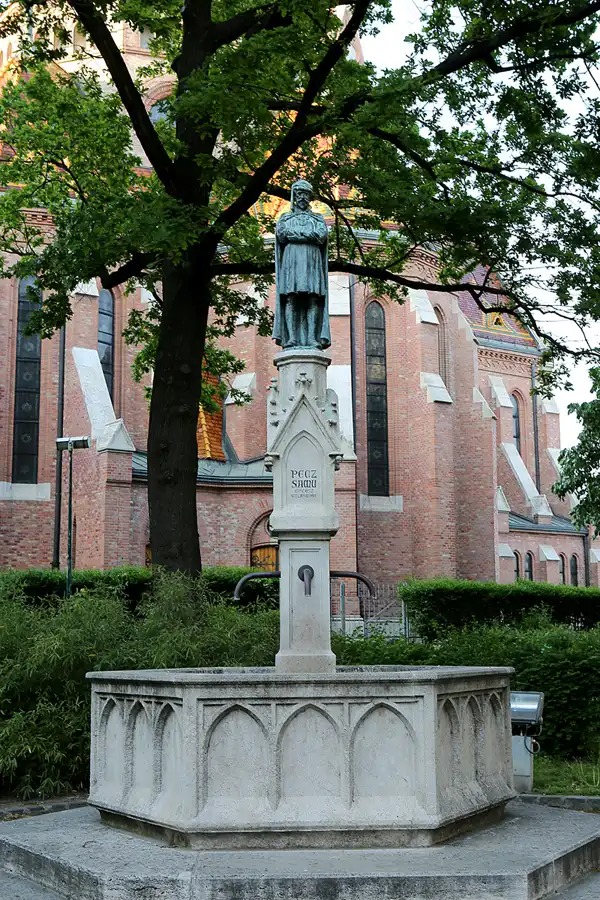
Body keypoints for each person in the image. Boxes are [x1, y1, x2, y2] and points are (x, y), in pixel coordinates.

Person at [273, 179, 331, 350]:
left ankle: (312, 338)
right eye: (300, 195)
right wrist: (307, 235)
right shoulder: (285, 218)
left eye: (306, 195)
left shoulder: (318, 218)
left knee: (313, 299)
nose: (303, 198)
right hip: (292, 262)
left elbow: (321, 235)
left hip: (311, 262)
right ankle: (291, 338)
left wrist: (297, 235)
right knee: (291, 299)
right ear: (294, 196)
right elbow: (282, 235)